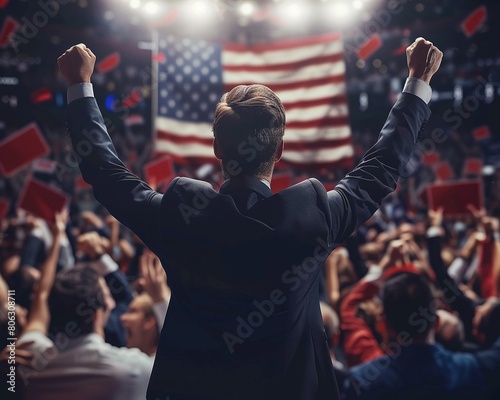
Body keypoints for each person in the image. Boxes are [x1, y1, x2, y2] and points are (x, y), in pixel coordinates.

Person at [57, 37, 442, 400]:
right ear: (279, 153)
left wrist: (79, 86)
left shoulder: (182, 214)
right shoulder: (311, 217)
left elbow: (106, 176)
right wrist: (417, 83)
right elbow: (379, 170)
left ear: (216, 149)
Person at [16, 212, 153, 400]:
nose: (112, 303)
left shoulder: (26, 357)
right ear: (97, 314)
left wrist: (57, 236)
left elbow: (42, 294)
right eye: (107, 296)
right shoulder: (132, 370)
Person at [343, 271, 500, 400]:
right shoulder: (471, 370)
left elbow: (348, 310)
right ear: (436, 322)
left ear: (383, 325)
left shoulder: (362, 381)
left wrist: (381, 267)